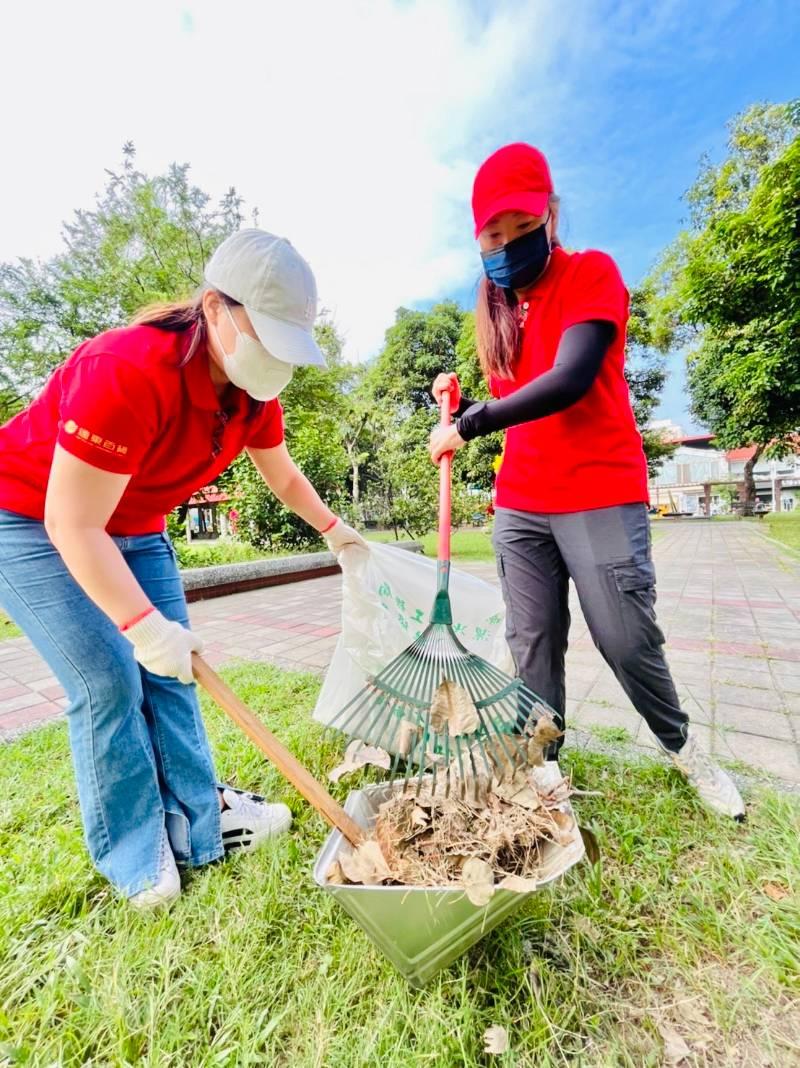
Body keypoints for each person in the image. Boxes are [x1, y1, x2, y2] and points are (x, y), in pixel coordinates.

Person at [0, 229, 366, 908]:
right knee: (111, 679)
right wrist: (143, 626)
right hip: (29, 519)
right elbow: (71, 523)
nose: (277, 357)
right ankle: (136, 853)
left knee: (178, 677)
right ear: (214, 309)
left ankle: (203, 822)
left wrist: (339, 534)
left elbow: (282, 477)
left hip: (135, 526)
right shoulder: (127, 368)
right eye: (267, 334)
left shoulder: (255, 392)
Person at [430, 143, 744, 820]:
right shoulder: (494, 309)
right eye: (493, 233)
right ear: (477, 237)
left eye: (521, 226)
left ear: (551, 215)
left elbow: (569, 381)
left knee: (624, 637)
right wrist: (453, 399)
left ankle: (684, 748)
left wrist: (474, 422)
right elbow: (509, 398)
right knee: (532, 640)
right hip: (522, 502)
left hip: (599, 489)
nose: (507, 243)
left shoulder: (591, 275)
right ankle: (541, 761)